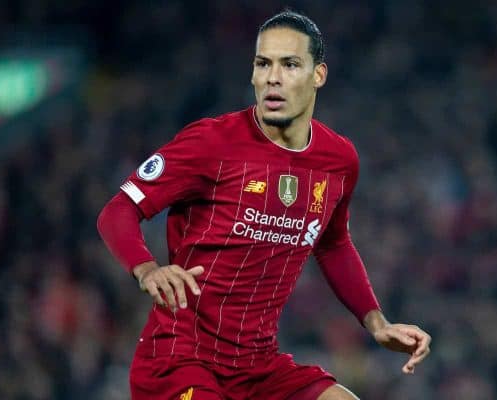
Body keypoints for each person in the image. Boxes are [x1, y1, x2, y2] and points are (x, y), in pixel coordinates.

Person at [97, 10, 431, 400]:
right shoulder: (211, 143)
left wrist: (377, 323)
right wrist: (147, 269)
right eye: (263, 63)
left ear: (318, 75)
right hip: (180, 361)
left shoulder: (339, 160)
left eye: (290, 64)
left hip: (258, 367)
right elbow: (117, 211)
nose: (273, 77)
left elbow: (333, 243)